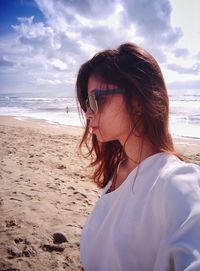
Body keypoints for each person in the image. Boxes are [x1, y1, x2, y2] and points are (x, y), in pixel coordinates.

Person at [76, 42, 200, 271]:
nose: (88, 113)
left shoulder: (178, 182)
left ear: (137, 101)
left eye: (95, 99)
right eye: (86, 103)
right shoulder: (119, 168)